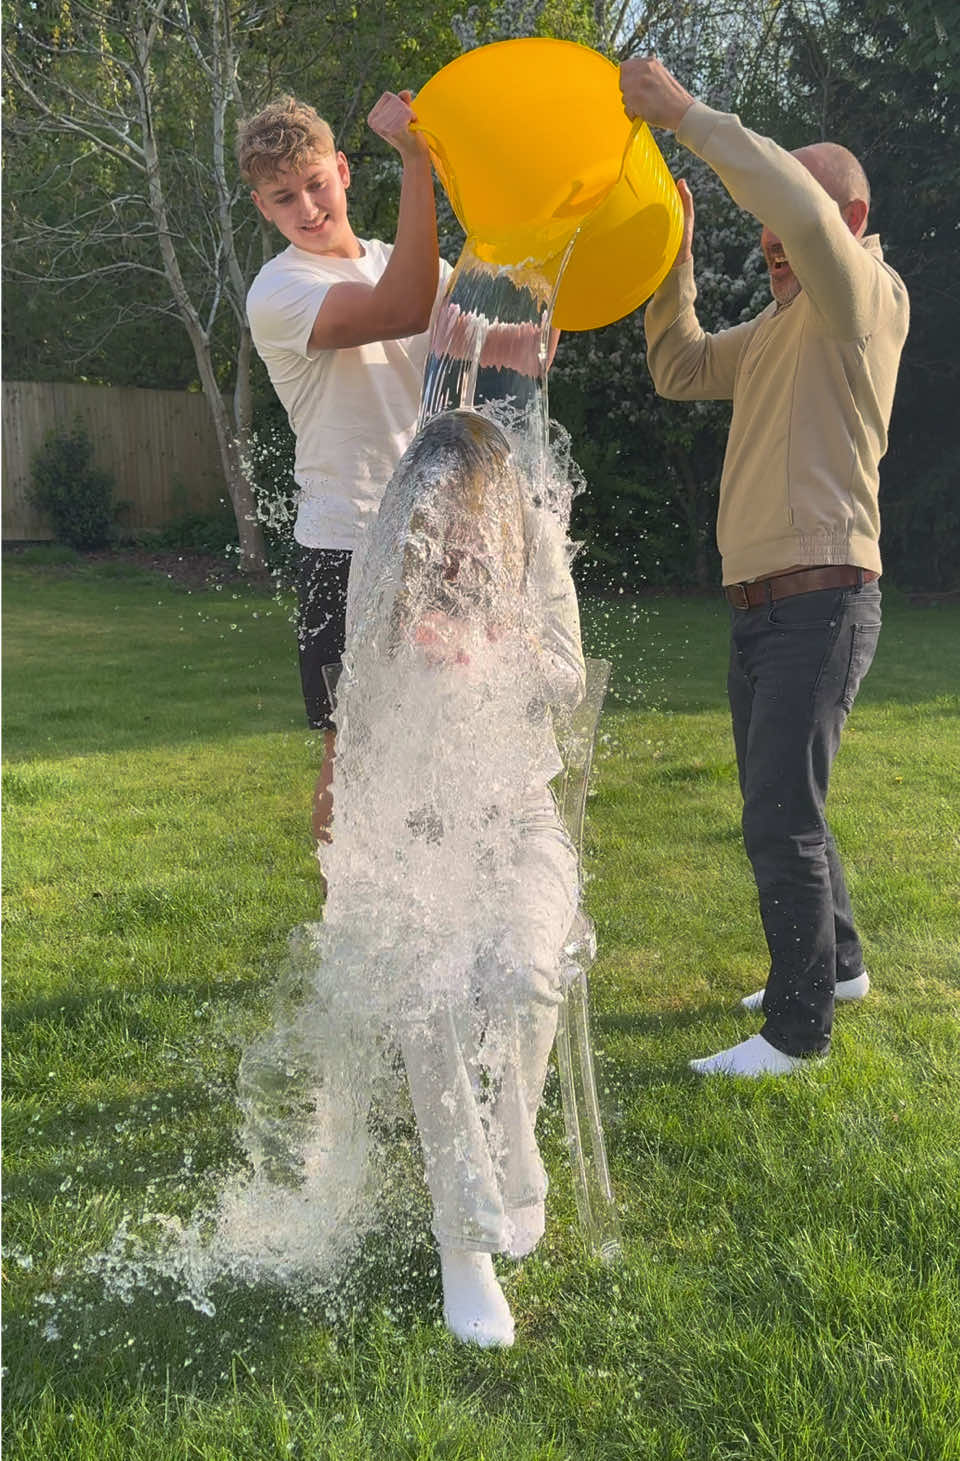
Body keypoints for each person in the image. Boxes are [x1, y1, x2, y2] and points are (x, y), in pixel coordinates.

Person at [619, 59, 910, 1077]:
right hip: (766, 606)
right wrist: (673, 259)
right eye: (766, 238)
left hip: (822, 596)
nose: (772, 243)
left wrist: (685, 117)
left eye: (795, 222)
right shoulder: (782, 329)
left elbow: (791, 199)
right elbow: (680, 366)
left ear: (851, 214)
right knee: (787, 800)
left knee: (779, 816)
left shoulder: (859, 297)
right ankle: (839, 969)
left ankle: (797, 1034)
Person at [320, 409, 586, 1346]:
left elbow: (566, 674)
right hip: (416, 824)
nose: (458, 549)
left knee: (519, 973)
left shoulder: (534, 544)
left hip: (519, 819)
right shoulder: (383, 558)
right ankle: (463, 1245)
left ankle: (513, 1163)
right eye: (443, 527)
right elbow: (355, 698)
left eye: (474, 525)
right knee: (427, 987)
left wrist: (494, 646)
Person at [238, 92, 453, 865]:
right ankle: (345, 938)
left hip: (433, 542)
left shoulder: (412, 262)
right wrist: (421, 160)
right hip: (346, 544)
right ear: (263, 208)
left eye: (315, 184)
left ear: (342, 170)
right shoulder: (278, 291)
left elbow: (506, 347)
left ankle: (431, 909)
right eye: (283, 197)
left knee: (445, 729)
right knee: (351, 745)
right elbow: (404, 308)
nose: (306, 207)